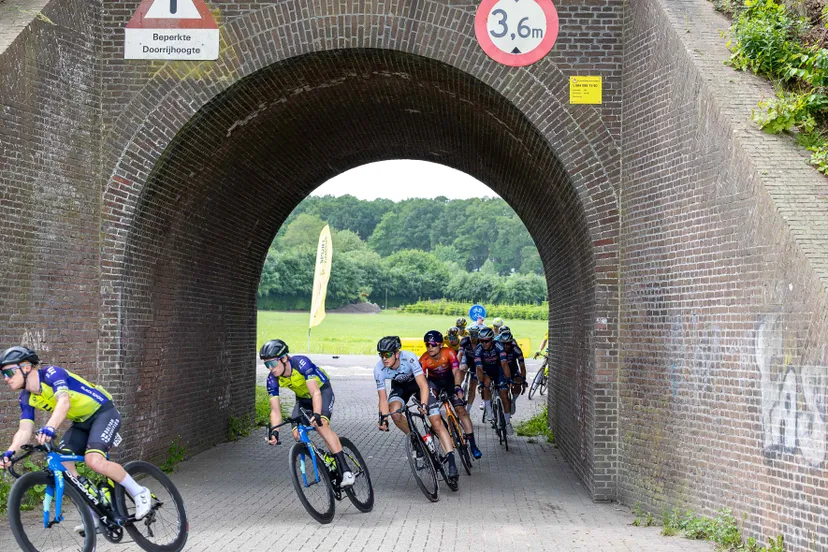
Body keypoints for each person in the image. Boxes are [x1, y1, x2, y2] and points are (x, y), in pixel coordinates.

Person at [0, 346, 153, 519]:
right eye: (3, 375)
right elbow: (24, 429)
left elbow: (64, 402)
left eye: (9, 373)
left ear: (26, 367)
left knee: (94, 460)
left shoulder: (52, 374)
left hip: (103, 412)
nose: (6, 379)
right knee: (65, 464)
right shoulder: (26, 397)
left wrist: (50, 427)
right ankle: (95, 514)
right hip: (81, 422)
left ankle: (139, 492)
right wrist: (10, 452)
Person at [260, 339, 354, 487]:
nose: (270, 368)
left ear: (284, 358)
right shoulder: (272, 379)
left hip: (322, 392)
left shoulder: (301, 363)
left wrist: (316, 414)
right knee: (297, 434)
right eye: (266, 365)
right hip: (303, 400)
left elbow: (315, 392)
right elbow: (275, 410)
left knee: (321, 425)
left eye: (272, 363)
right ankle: (325, 458)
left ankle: (346, 470)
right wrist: (275, 432)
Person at [374, 336, 458, 480]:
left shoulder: (409, 358)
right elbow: (382, 399)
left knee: (436, 421)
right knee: (395, 414)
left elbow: (423, 385)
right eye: (381, 354)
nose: (384, 358)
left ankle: (451, 461)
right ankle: (416, 440)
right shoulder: (379, 369)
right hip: (400, 389)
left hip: (419, 385)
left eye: (387, 354)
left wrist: (424, 404)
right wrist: (384, 418)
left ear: (397, 354)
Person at [420, 330, 481, 459]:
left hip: (450, 382)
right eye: (427, 345)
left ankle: (473, 444)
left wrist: (458, 386)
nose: (430, 348)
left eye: (433, 344)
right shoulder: (424, 358)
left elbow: (456, 371)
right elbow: (421, 381)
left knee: (460, 410)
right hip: (434, 385)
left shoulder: (449, 352)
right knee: (433, 416)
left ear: (440, 345)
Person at [473, 328, 514, 435]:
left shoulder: (499, 346)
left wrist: (509, 379)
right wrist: (480, 382)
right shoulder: (478, 350)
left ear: (492, 340)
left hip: (498, 370)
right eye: (481, 341)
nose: (484, 343)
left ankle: (508, 423)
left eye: (486, 341)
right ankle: (489, 411)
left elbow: (504, 364)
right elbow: (479, 369)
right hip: (486, 370)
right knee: (486, 384)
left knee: (505, 396)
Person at [496, 330, 527, 414]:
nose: (506, 346)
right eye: (503, 344)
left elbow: (522, 367)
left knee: (518, 382)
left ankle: (513, 401)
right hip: (499, 369)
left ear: (511, 342)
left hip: (513, 369)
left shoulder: (516, 349)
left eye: (508, 343)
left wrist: (523, 379)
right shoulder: (496, 348)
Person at [458, 324, 481, 410]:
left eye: (475, 335)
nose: (473, 337)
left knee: (472, 387)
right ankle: (457, 395)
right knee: (461, 370)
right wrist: (457, 365)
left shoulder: (481, 342)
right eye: (471, 334)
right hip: (467, 358)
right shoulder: (465, 340)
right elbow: (460, 353)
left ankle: (468, 410)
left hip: (477, 361)